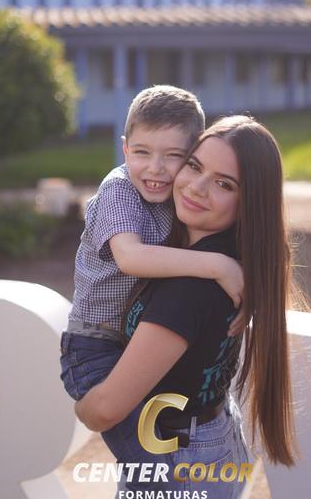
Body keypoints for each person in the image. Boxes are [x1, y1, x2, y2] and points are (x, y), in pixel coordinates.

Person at [75, 115, 309, 498]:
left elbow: (106, 410)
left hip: (178, 458)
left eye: (223, 184)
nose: (196, 187)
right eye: (195, 166)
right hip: (206, 439)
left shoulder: (191, 287)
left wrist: (81, 407)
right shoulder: (220, 258)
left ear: (249, 203)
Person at [60, 87, 244, 491]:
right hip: (94, 345)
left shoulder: (174, 194)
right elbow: (130, 258)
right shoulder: (120, 190)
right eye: (142, 152)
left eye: (173, 156)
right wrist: (217, 266)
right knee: (151, 467)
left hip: (129, 342)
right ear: (124, 148)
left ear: (191, 156)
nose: (156, 169)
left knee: (154, 472)